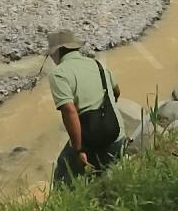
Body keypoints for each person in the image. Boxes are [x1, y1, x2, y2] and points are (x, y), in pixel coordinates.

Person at [46, 30, 123, 186]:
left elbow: (70, 112)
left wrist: (79, 150)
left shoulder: (59, 74)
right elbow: (116, 92)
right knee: (104, 176)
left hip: (91, 139)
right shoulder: (97, 64)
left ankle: (61, 207)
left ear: (58, 52)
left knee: (63, 173)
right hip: (117, 134)